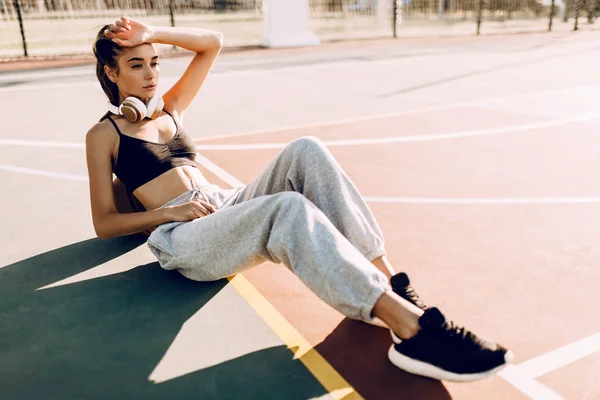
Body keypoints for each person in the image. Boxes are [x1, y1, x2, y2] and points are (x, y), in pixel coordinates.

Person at [86, 16, 513, 383]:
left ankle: (393, 286)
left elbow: (212, 44)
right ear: (110, 72)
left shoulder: (170, 109)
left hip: (222, 203)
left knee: (306, 149)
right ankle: (415, 333)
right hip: (183, 235)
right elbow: (103, 222)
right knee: (286, 209)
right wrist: (169, 212)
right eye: (136, 65)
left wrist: (153, 31)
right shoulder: (103, 135)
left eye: (155, 63)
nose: (150, 75)